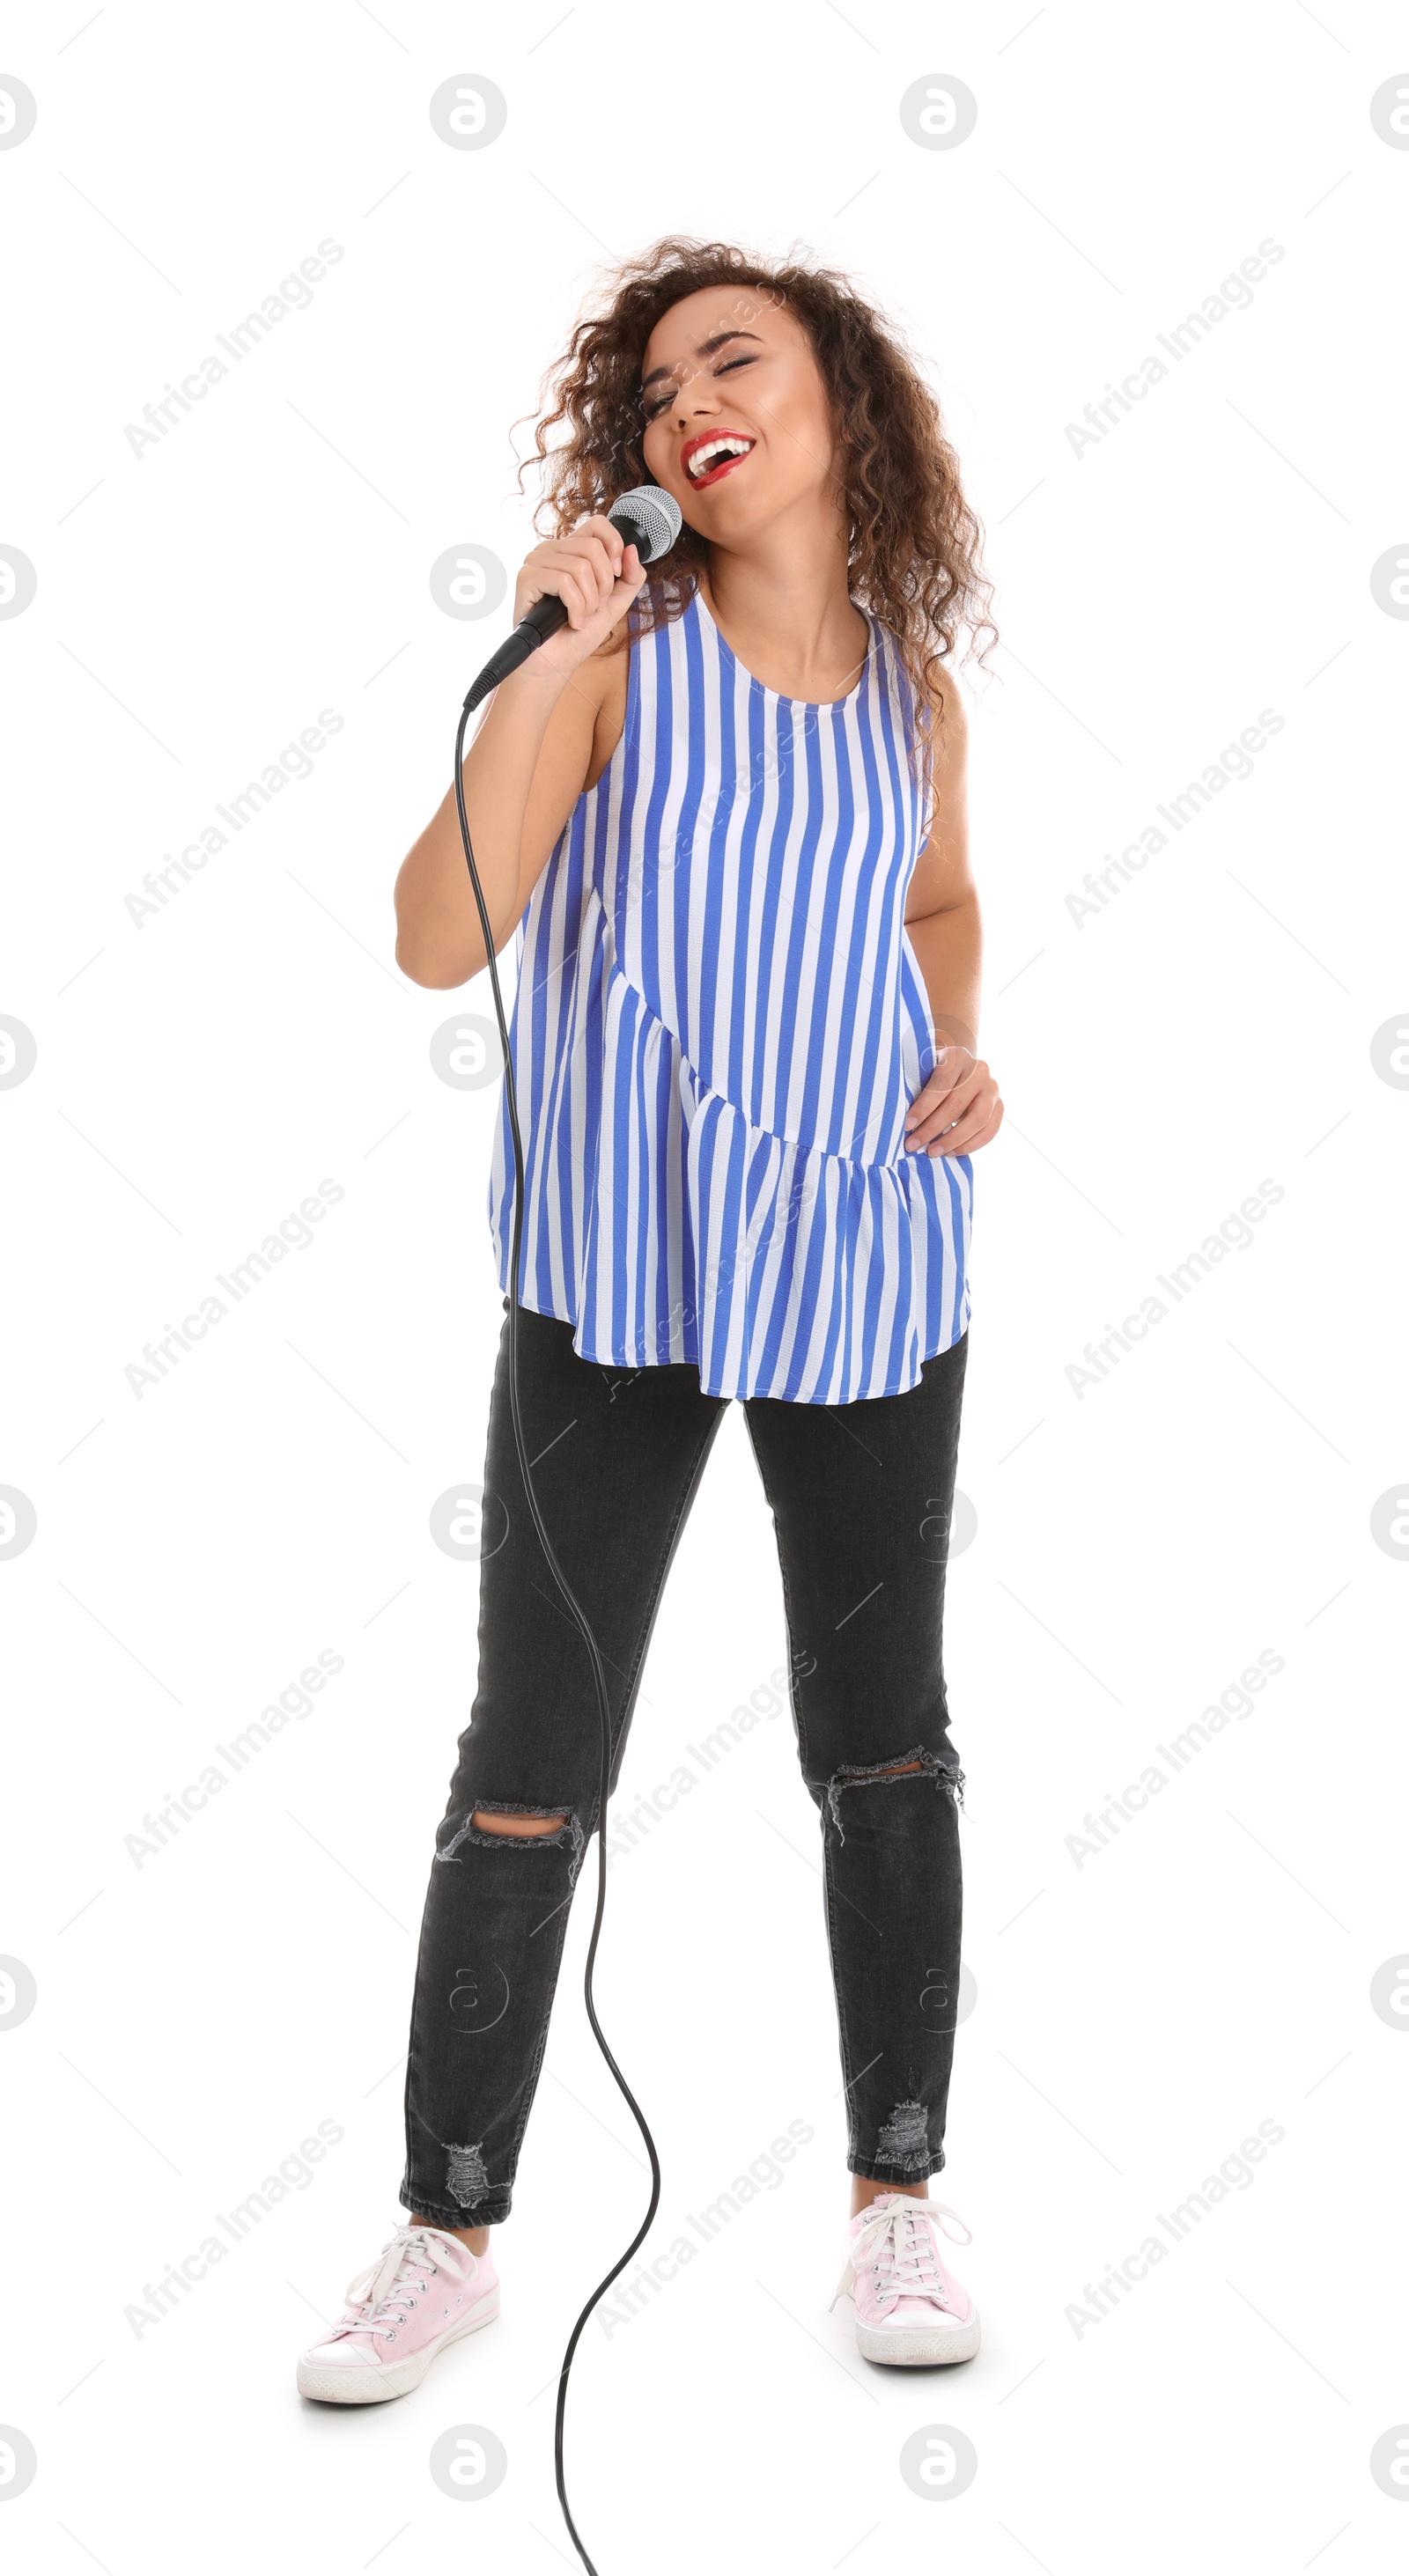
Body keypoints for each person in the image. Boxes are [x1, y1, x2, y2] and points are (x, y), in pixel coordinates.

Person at [297, 239, 1003, 2405]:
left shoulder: (910, 683)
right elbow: (439, 937)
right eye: (655, 387)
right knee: (531, 1761)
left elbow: (934, 899)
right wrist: (538, 661)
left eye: (735, 359)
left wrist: (953, 1049)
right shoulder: (617, 660)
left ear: (834, 405)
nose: (690, 399)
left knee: (879, 1740)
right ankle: (448, 2227)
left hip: (867, 1253)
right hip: (616, 1266)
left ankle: (893, 2200)